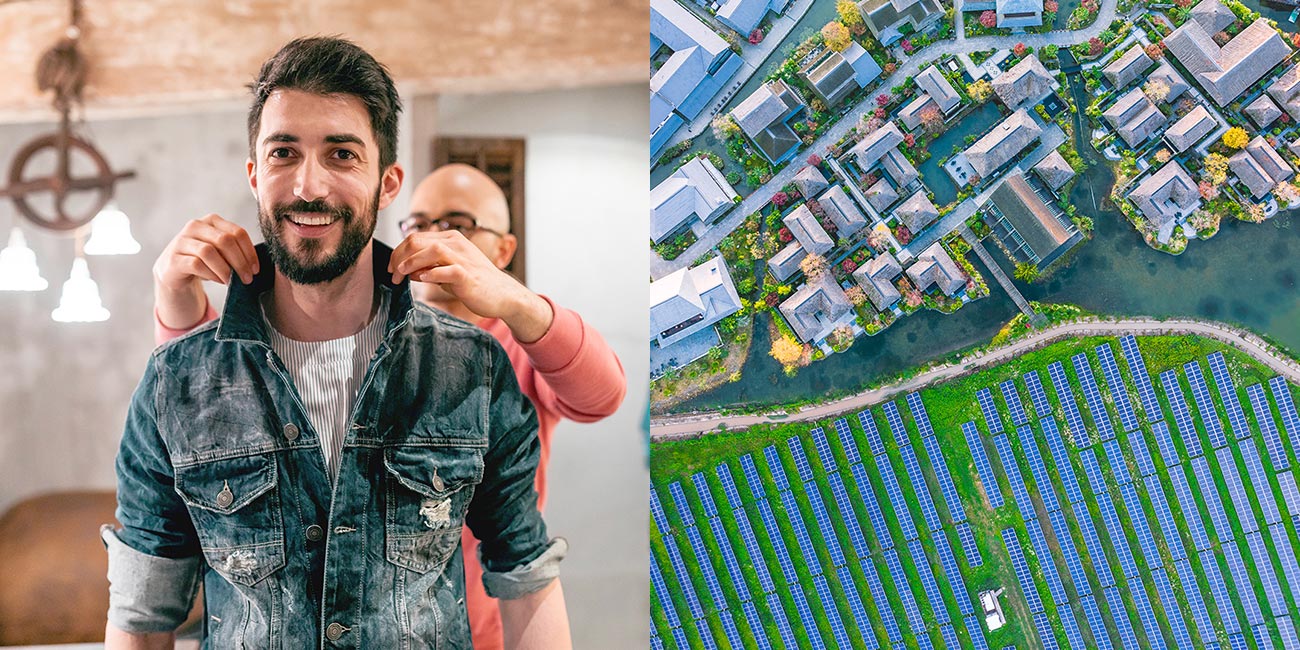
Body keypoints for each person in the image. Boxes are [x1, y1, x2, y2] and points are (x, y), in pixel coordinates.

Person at [103, 36, 571, 649]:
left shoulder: (473, 367)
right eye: (283, 153)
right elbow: (143, 613)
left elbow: (526, 577)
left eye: (342, 154)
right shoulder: (175, 382)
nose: (309, 186)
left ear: (388, 181)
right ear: (254, 174)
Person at [152, 164, 627, 648]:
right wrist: (174, 295)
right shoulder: (363, 343)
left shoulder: (511, 351)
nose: (435, 238)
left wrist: (515, 302)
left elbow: (602, 396)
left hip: (484, 628)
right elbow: (205, 404)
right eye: (418, 223)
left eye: (458, 224)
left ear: (503, 249)